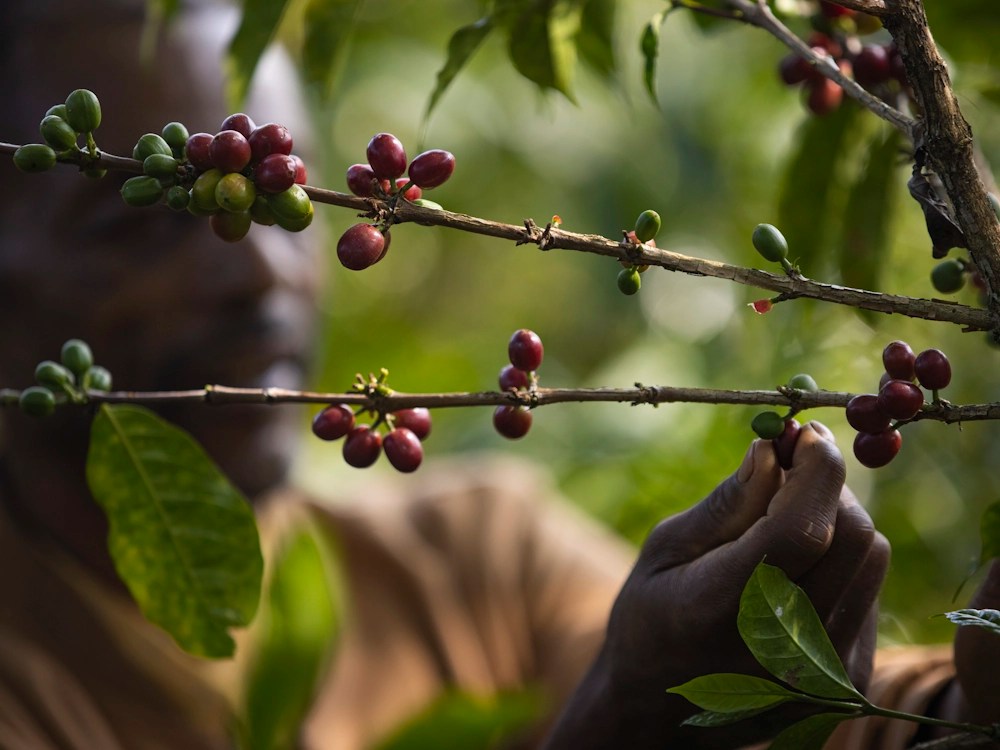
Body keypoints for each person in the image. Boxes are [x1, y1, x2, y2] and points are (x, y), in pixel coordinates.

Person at [0, 2, 997, 749]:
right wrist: (610, 728)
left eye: (281, 197)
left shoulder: (473, 560)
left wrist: (964, 700)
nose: (263, 271)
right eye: (140, 225)